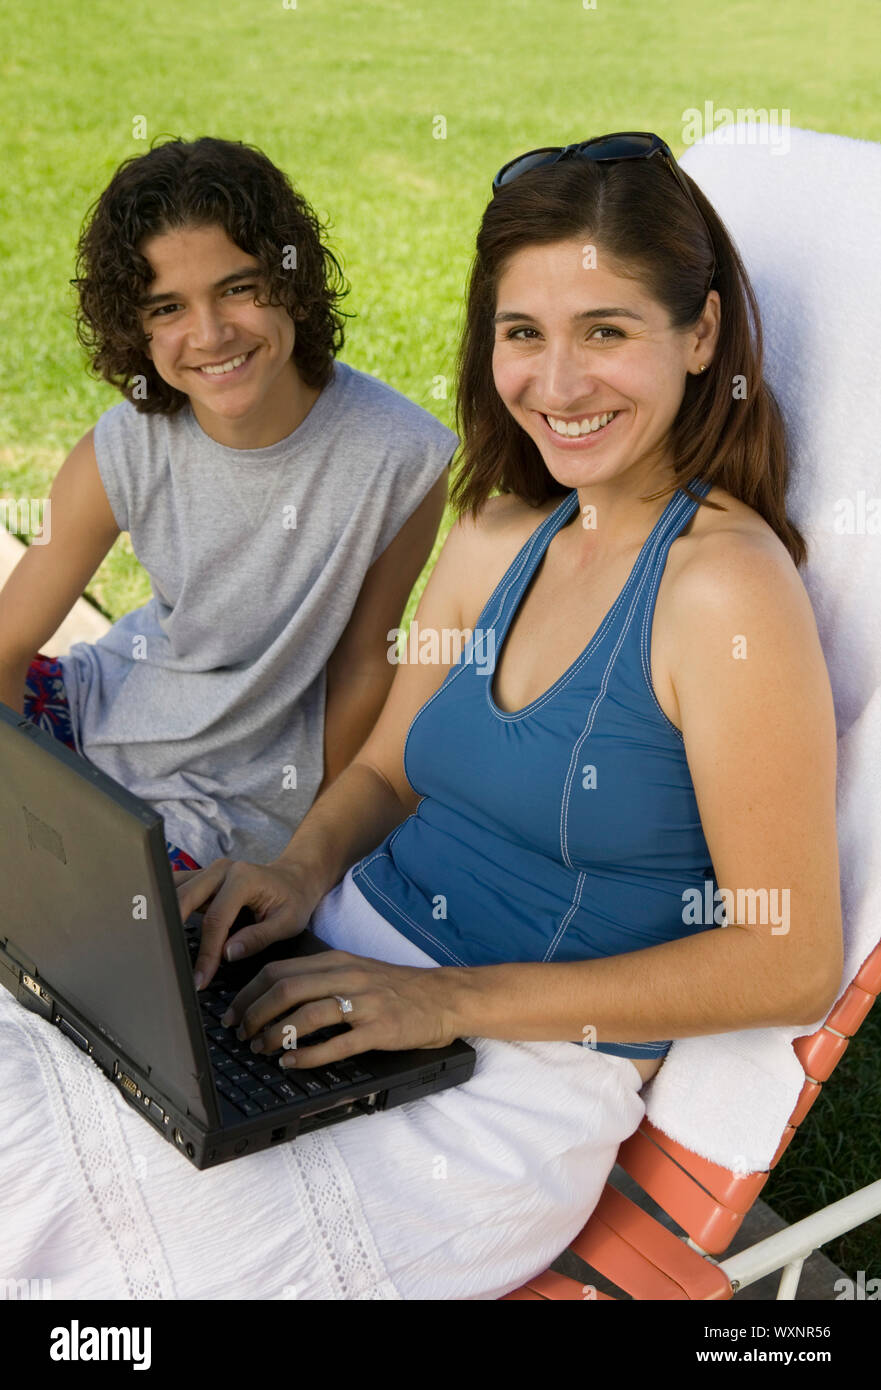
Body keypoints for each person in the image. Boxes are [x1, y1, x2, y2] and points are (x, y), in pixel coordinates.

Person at [0, 133, 844, 1302]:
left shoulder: (724, 592)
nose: (556, 384)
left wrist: (443, 998)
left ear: (699, 335)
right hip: (323, 978)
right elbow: (389, 764)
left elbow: (787, 959)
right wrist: (295, 874)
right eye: (522, 333)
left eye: (605, 330)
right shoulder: (501, 533)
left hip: (503, 1093)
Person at [0, 137, 456, 869]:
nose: (209, 335)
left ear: (290, 281)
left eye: (237, 288)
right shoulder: (125, 447)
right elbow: (8, 645)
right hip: (95, 714)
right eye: (168, 307)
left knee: (140, 946)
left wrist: (312, 862)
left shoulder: (400, 456)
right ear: (135, 326)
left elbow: (364, 667)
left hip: (232, 802)